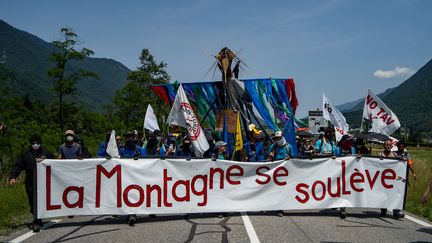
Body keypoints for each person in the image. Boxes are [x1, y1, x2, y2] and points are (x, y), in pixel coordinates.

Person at [9, 134, 53, 232]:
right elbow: (18, 165)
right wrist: (13, 176)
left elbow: (54, 163)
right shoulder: (25, 154)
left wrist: (45, 160)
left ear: (40, 143)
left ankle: (36, 221)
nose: (35, 145)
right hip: (30, 181)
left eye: (37, 143)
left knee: (40, 201)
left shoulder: (46, 152)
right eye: (33, 143)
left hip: (43, 181)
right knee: (32, 200)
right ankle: (37, 217)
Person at [379, 140, 405, 218]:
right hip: (382, 178)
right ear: (384, 146)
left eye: (389, 145)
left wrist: (401, 160)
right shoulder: (380, 154)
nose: (388, 146)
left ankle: (396, 212)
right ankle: (383, 210)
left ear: (391, 146)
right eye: (386, 145)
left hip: (392, 179)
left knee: (395, 194)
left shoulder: (394, 155)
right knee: (383, 194)